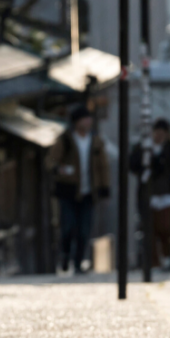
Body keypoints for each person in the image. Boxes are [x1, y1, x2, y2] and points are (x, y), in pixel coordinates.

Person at [46, 106, 110, 274]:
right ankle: (65, 256)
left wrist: (104, 186)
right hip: (68, 190)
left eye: (89, 118)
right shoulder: (65, 140)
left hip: (89, 191)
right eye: (84, 118)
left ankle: (79, 262)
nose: (88, 121)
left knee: (84, 230)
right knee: (67, 227)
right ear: (76, 122)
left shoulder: (95, 141)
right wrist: (58, 169)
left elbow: (103, 166)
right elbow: (51, 160)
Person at [130, 119, 170, 270]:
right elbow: (133, 165)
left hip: (167, 195)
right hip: (149, 195)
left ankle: (167, 256)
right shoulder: (143, 148)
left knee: (166, 227)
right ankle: (153, 261)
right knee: (150, 229)